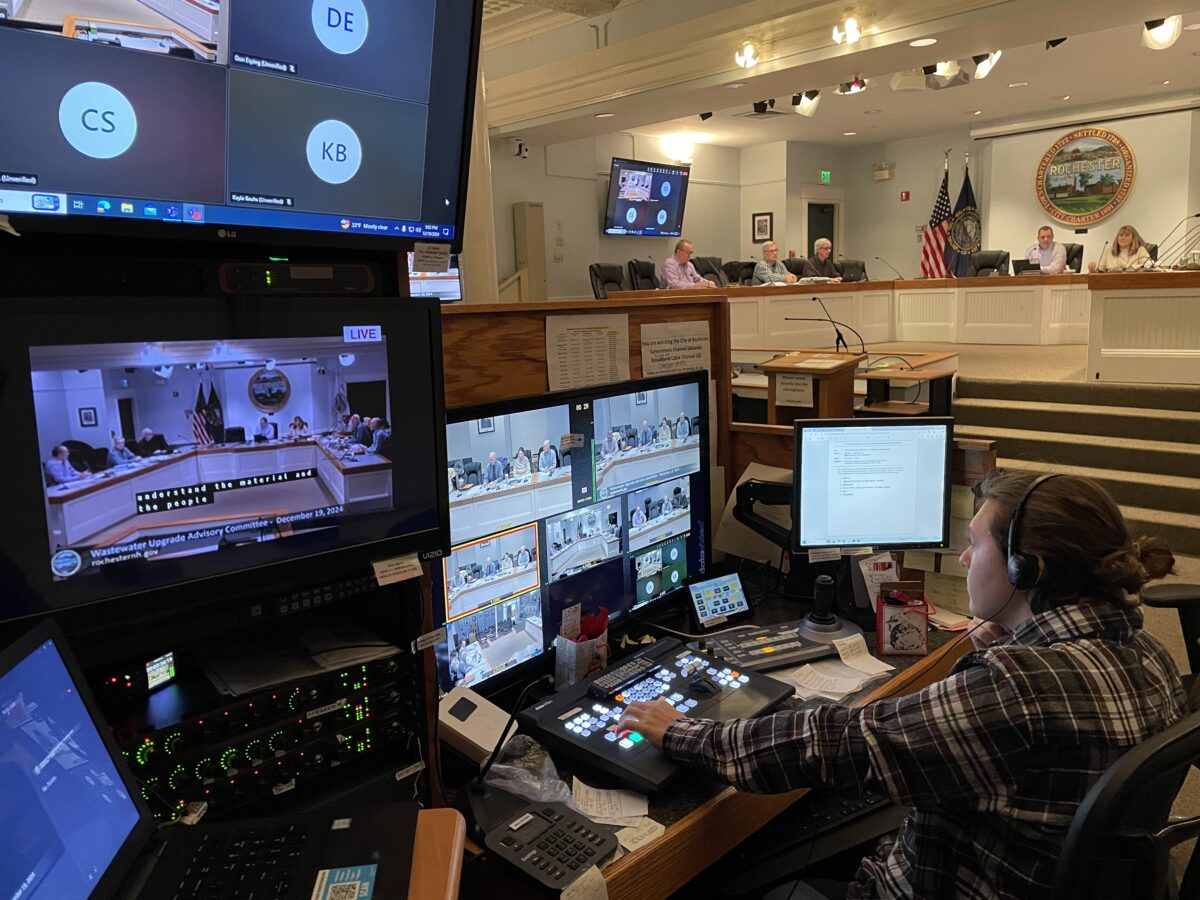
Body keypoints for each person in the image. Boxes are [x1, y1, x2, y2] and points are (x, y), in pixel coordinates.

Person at [616, 469, 1185, 899]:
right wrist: (1010, 644)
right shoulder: (1152, 654)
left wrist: (685, 733)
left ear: (1026, 569)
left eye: (977, 543)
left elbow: (840, 743)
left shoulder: (1017, 688)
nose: (964, 558)